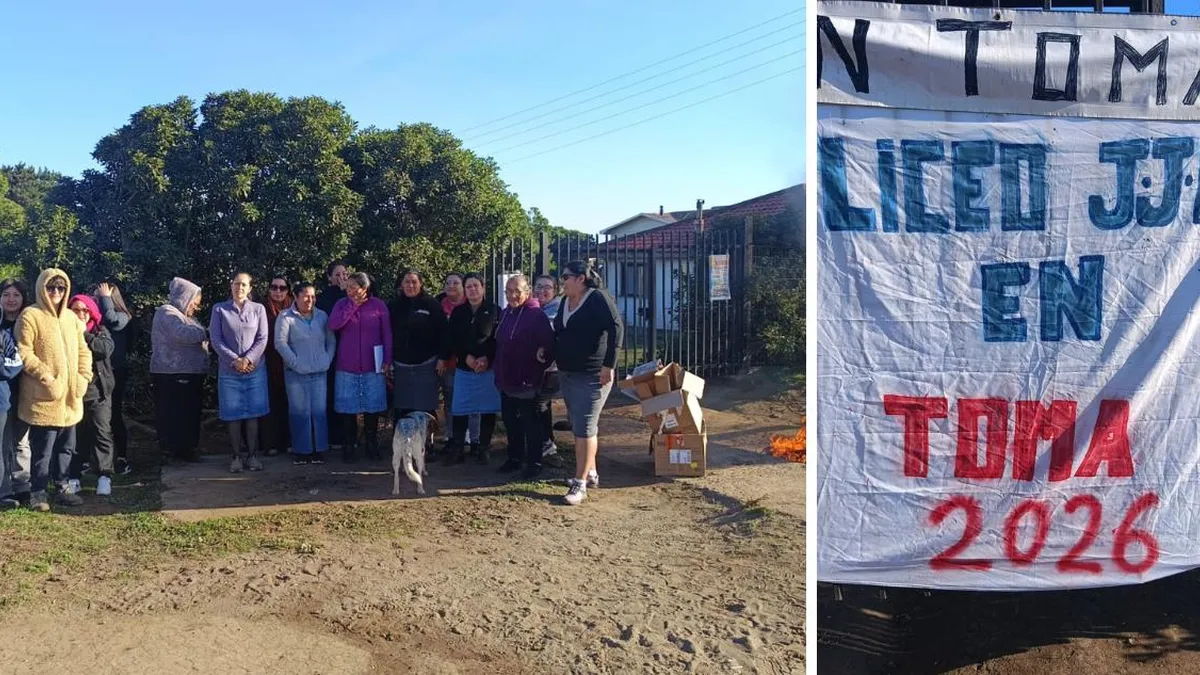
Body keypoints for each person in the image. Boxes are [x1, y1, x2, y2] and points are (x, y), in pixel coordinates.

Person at [15, 269, 92, 511]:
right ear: (42, 288)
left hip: (71, 398)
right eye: (51, 287)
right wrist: (46, 376)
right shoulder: (30, 315)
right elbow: (24, 352)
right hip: (44, 397)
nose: (56, 292)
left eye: (60, 288)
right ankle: (38, 492)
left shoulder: (71, 318)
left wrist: (83, 377)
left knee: (67, 447)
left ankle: (62, 486)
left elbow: (83, 351)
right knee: (43, 450)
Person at [553, 261, 622, 506]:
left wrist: (609, 365)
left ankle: (579, 484)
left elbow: (616, 329)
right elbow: (559, 332)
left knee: (585, 426)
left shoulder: (597, 299)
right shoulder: (565, 301)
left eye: (566, 277)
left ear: (581, 278)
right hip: (568, 372)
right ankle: (590, 472)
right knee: (579, 424)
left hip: (593, 374)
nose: (562, 281)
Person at [494, 274, 554, 479]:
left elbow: (548, 345)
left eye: (517, 291)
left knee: (531, 423)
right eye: (508, 291)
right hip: (506, 378)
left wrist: (540, 359)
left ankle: (535, 462)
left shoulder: (536, 315)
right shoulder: (505, 313)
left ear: (527, 292)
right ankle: (514, 458)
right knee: (511, 422)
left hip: (527, 379)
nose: (512, 295)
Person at [209, 272, 270, 473]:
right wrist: (235, 360)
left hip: (255, 370)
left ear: (250, 288)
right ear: (231, 285)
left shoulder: (258, 309)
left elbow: (263, 338)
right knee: (233, 415)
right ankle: (236, 457)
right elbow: (216, 340)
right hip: (229, 371)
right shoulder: (219, 309)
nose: (240, 288)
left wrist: (249, 359)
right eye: (237, 284)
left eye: (244, 284)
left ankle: (252, 456)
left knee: (253, 414)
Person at [328, 272, 391, 462]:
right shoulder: (341, 304)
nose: (349, 291)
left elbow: (387, 333)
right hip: (347, 365)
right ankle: (349, 445)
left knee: (372, 408)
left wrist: (387, 359)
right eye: (347, 287)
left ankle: (372, 444)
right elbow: (333, 324)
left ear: (365, 288)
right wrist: (352, 307)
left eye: (353, 287)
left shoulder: (379, 305)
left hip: (373, 365)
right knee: (349, 410)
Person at [440, 273, 500, 464]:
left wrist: (487, 358)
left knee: (488, 409)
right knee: (460, 409)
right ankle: (458, 448)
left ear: (483, 288)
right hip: (464, 368)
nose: (472, 290)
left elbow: (498, 339)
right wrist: (465, 357)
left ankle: (483, 448)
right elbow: (452, 339)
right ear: (464, 290)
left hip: (487, 368)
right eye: (469, 287)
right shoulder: (459, 312)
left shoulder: (495, 310)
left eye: (476, 286)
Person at [275, 281, 336, 465]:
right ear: (296, 296)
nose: (310, 300)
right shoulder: (285, 317)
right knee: (299, 412)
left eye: (313, 296)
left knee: (318, 412)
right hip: (295, 374)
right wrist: (295, 363)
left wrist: (327, 359)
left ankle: (319, 450)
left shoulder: (322, 316)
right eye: (306, 296)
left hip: (319, 372)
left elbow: (331, 341)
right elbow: (280, 343)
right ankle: (302, 451)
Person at [151, 277, 209, 463]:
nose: (196, 307)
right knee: (172, 413)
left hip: (190, 373)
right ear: (185, 297)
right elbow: (181, 333)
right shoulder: (167, 312)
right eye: (194, 303)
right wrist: (208, 332)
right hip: (171, 373)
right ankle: (170, 451)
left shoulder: (186, 317)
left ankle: (186, 449)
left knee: (188, 413)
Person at [68, 294, 116, 497]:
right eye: (76, 310)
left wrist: (84, 334)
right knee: (74, 437)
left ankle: (105, 476)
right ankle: (73, 476)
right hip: (73, 392)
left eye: (84, 310)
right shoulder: (63, 331)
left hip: (98, 392)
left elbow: (104, 350)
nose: (80, 314)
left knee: (102, 433)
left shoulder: (100, 331)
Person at [388, 269, 445, 435]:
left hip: (426, 364)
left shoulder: (432, 304)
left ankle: (427, 444)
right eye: (407, 281)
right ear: (401, 284)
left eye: (414, 281)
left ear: (421, 284)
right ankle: (402, 444)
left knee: (425, 409)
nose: (410, 285)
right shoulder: (393, 305)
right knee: (402, 409)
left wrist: (442, 357)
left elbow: (443, 332)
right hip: (401, 366)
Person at [436, 272, 479, 448]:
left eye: (456, 283)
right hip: (446, 361)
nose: (451, 286)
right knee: (449, 397)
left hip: (468, 361)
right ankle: (451, 433)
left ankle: (473, 436)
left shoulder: (471, 306)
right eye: (448, 282)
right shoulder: (438, 305)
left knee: (471, 398)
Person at [94, 282, 133, 475]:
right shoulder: (96, 319)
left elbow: (112, 320)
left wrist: (106, 298)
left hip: (115, 373)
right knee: (96, 417)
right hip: (96, 372)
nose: (98, 300)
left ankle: (121, 457)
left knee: (114, 415)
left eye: (100, 296)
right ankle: (94, 459)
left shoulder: (123, 316)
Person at [0, 279, 32, 506]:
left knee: (22, 441)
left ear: (23, 298)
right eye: (6, 294)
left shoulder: (29, 323)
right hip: (2, 394)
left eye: (16, 295)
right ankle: (5, 490)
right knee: (3, 442)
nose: (11, 299)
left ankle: (23, 486)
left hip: (26, 392)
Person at [533, 274, 566, 465]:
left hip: (552, 368)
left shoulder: (557, 309)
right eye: (538, 286)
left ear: (555, 291)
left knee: (540, 403)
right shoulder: (537, 308)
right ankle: (544, 442)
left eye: (547, 287)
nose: (542, 291)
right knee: (540, 405)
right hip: (537, 368)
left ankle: (547, 444)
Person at [317, 261, 348, 449]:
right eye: (337, 274)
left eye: (345, 273)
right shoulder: (324, 298)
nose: (342, 277)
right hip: (330, 350)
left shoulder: (354, 294)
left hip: (350, 350)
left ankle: (345, 436)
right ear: (329, 278)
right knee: (330, 393)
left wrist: (347, 292)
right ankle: (331, 436)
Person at [261, 274, 293, 456]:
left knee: (290, 404)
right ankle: (270, 444)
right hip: (268, 362)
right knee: (271, 404)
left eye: (282, 288)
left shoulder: (294, 308)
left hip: (290, 362)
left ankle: (288, 442)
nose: (278, 291)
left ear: (288, 290)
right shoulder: (261, 308)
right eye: (274, 287)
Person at [0, 319, 22, 509]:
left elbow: (14, 365)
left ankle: (3, 492)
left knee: (2, 449)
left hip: (1, 403)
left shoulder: (5, 337)